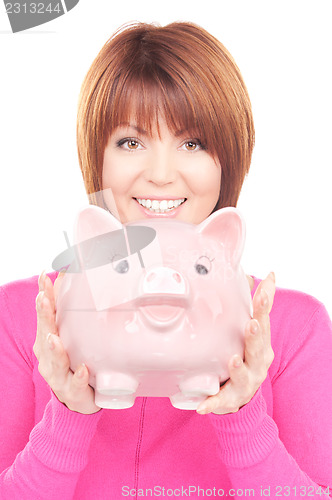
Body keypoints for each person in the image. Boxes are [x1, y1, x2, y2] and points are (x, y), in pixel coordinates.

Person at [1, 22, 331, 500]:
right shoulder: (22, 317)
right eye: (131, 143)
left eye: (192, 143)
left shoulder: (292, 326)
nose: (159, 174)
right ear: (97, 156)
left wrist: (242, 417)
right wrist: (67, 415)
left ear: (228, 159)